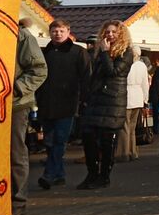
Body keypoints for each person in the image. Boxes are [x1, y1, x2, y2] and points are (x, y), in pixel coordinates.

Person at [80, 20, 134, 189]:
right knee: (88, 138)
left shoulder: (126, 52)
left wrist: (105, 53)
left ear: (121, 34)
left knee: (107, 141)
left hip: (113, 100)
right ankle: (92, 173)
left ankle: (104, 176)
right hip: (96, 99)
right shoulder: (97, 51)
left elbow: (113, 72)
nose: (110, 35)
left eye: (114, 32)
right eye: (107, 32)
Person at [36, 19, 88, 190]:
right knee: (49, 141)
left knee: (60, 140)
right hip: (46, 104)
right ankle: (59, 175)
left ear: (68, 32)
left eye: (61, 31)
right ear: (49, 32)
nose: (57, 34)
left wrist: (83, 100)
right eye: (54, 31)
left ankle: (49, 174)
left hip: (68, 103)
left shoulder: (78, 52)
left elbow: (86, 78)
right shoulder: (43, 53)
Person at [11, 20, 48, 215]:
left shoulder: (21, 36)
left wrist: (16, 88)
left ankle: (17, 202)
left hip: (14, 104)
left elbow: (39, 70)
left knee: (14, 152)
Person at [118, 46, 149, 162]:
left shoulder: (125, 65)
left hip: (126, 97)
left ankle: (123, 153)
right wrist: (145, 100)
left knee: (124, 127)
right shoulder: (142, 66)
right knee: (132, 127)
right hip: (138, 97)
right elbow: (145, 84)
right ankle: (133, 152)